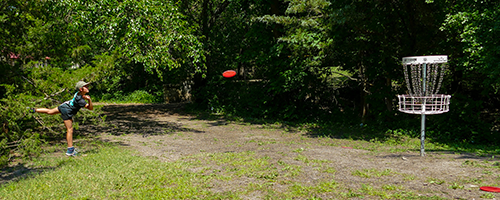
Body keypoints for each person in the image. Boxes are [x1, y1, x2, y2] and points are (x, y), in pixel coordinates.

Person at [29, 81, 93, 156]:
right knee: (70, 129)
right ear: (81, 89)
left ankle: (32, 110)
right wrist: (89, 100)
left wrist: (85, 97)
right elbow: (90, 108)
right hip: (67, 110)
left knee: (50, 111)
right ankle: (70, 151)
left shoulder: (78, 94)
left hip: (64, 106)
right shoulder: (80, 100)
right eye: (85, 86)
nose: (88, 87)